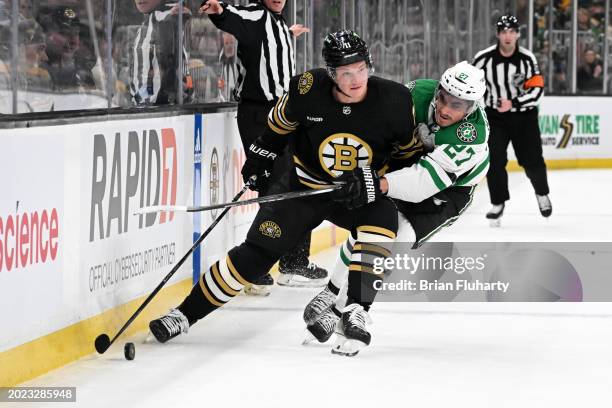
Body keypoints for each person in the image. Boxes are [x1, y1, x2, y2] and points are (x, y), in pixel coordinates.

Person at [149, 30, 418, 356]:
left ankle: (357, 310)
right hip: (303, 187)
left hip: (356, 195)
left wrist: (375, 182)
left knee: (383, 220)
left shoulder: (395, 101)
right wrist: (260, 157)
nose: (355, 78)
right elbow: (277, 128)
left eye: (360, 69)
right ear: (332, 74)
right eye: (345, 72)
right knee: (254, 256)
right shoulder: (307, 90)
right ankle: (184, 314)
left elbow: (408, 159)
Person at [303, 61, 490, 355]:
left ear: (470, 108)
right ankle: (332, 292)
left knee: (395, 236)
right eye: (442, 98)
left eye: (456, 105)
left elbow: (422, 184)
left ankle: (347, 311)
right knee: (371, 228)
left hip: (449, 188)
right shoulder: (417, 92)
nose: (444, 109)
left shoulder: (472, 138)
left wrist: (375, 183)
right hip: (410, 165)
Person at [200, 0, 325, 294]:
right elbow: (235, 17)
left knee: (295, 182)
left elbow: (268, 45)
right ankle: (257, 265)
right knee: (276, 187)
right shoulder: (256, 14)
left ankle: (291, 261)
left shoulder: (278, 22)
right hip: (262, 115)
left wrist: (287, 34)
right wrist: (220, 10)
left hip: (283, 112)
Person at [472, 14, 551, 227]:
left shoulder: (527, 59)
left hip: (524, 117)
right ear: (498, 34)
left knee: (532, 160)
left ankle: (542, 193)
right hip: (495, 117)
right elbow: (471, 84)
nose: (508, 36)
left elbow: (537, 90)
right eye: (504, 31)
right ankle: (497, 203)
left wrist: (514, 103)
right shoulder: (483, 58)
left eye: (512, 31)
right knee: (495, 161)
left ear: (517, 34)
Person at [129, 0, 193, 105]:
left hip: (159, 112)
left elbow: (167, 73)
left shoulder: (165, 18)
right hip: (146, 109)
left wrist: (139, 98)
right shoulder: (148, 21)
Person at [37, 5, 95, 91]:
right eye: (65, 33)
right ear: (46, 34)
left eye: (76, 33)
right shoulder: (35, 68)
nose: (73, 41)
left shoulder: (84, 71)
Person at [217, 32, 238, 102]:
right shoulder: (222, 60)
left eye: (232, 43)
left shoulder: (240, 59)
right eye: (226, 43)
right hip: (226, 99)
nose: (229, 46)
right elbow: (220, 79)